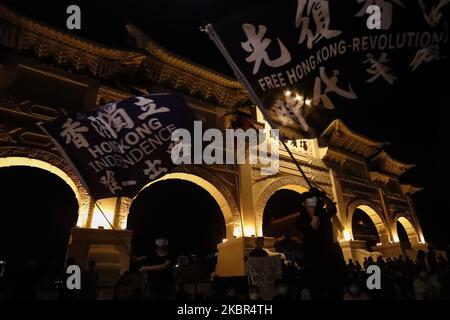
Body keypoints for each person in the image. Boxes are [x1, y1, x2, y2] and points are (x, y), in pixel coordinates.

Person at [297, 187, 347, 300]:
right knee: (319, 291)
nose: (313, 205)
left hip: (330, 255)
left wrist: (323, 195)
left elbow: (333, 209)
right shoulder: (301, 219)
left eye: (314, 201)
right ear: (304, 204)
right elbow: (312, 228)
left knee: (336, 290)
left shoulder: (323, 213)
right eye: (310, 202)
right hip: (314, 259)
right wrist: (318, 211)